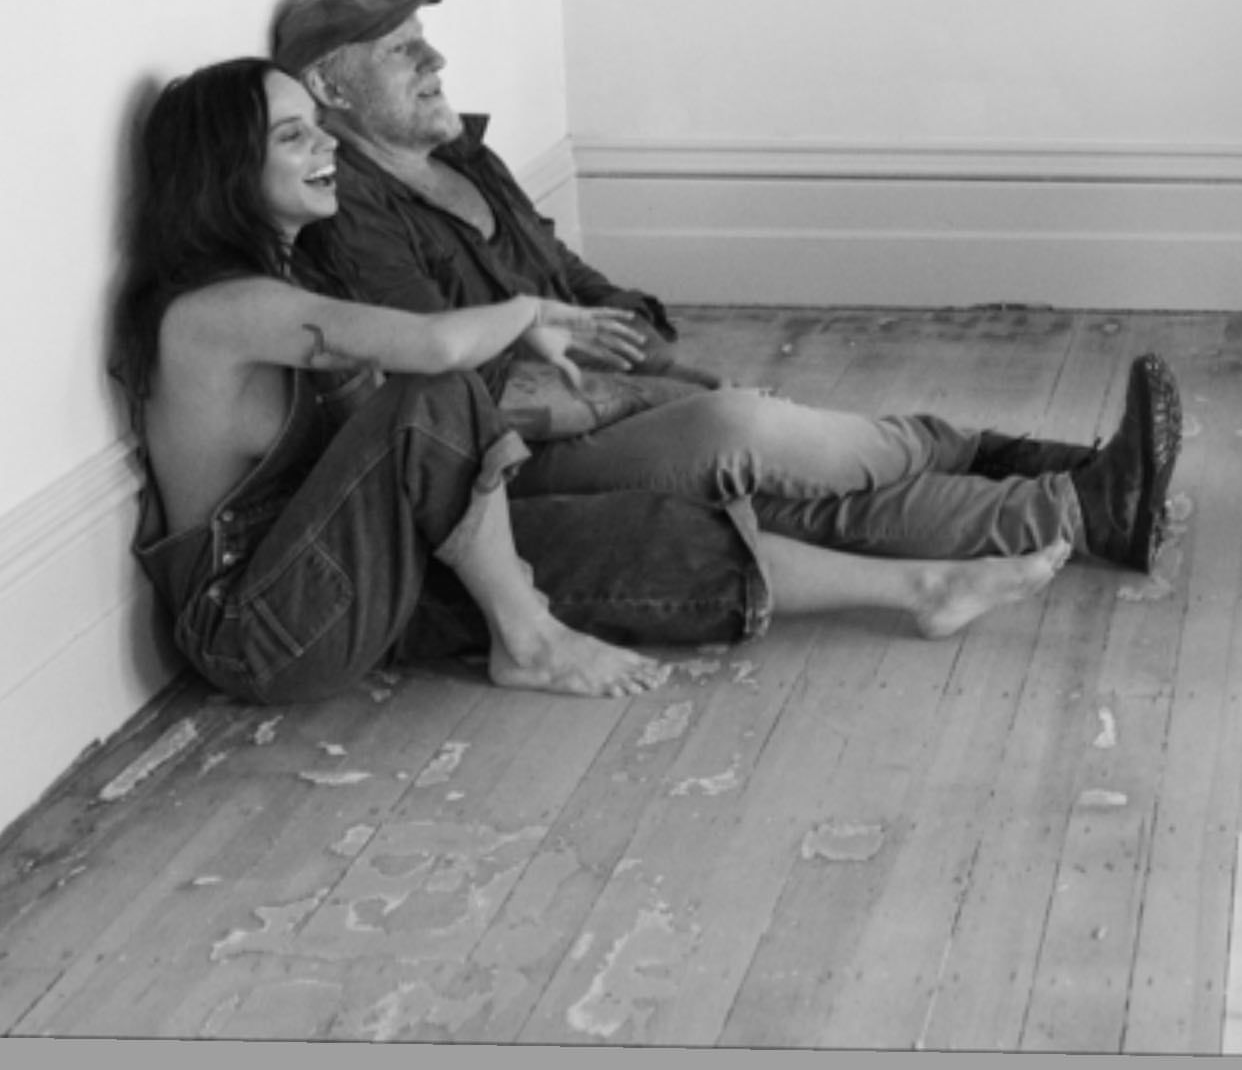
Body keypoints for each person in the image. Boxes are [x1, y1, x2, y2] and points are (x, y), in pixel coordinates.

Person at [113, 59, 1083, 714]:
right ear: (224, 172)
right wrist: (531, 314)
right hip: (263, 627)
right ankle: (529, 639)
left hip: (353, 573)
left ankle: (924, 587)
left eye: (319, 128)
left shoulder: (296, 281)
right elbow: (437, 354)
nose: (325, 148)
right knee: (432, 396)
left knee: (634, 535)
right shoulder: (215, 312)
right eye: (294, 137)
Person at [273, 0, 1184, 577]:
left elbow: (561, 268)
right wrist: (644, 396)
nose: (435, 61)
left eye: (425, 39)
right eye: (401, 50)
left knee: (784, 490)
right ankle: (1024, 470)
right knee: (744, 434)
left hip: (592, 400)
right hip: (512, 459)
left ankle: (1076, 502)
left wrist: (647, 346)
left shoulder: (461, 156)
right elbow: (446, 388)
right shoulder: (348, 212)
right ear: (330, 89)